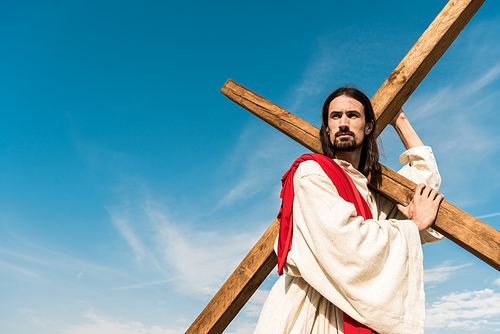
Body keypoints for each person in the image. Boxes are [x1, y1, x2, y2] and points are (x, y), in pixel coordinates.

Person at [253, 87, 445, 334]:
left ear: (368, 127)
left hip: (354, 314)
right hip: (312, 311)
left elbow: (422, 192)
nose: (343, 123)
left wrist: (400, 120)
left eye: (353, 115)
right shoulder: (313, 175)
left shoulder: (369, 191)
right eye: (335, 116)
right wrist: (414, 226)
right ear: (327, 128)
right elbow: (346, 243)